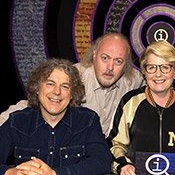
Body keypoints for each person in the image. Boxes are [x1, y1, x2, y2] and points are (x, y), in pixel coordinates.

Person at [0, 58, 112, 175]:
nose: (57, 92)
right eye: (50, 84)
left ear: (72, 94)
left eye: (65, 86)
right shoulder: (17, 122)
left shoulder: (87, 121)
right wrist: (8, 174)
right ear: (37, 88)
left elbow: (103, 161)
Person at [0, 33, 145, 137]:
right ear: (95, 55)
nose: (110, 67)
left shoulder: (134, 81)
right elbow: (31, 105)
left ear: (126, 64)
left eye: (118, 61)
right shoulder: (72, 76)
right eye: (105, 58)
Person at [108, 41, 175, 175]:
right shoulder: (130, 103)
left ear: (174, 72)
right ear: (144, 72)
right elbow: (115, 144)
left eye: (165, 67)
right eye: (152, 67)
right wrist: (123, 166)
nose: (158, 74)